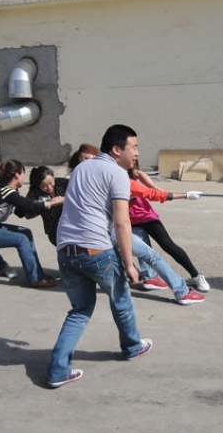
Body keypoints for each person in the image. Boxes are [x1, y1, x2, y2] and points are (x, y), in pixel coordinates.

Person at [47, 124, 152, 388]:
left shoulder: (81, 169)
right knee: (121, 299)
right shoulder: (117, 174)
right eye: (134, 147)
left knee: (80, 309)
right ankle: (132, 347)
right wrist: (129, 264)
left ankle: (58, 370)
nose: (137, 153)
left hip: (65, 250)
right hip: (96, 250)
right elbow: (122, 223)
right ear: (117, 149)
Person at [0, 159, 59, 288]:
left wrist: (39, 203)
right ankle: (35, 279)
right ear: (17, 174)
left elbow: (22, 212)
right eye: (23, 174)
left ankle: (38, 272)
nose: (23, 177)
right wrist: (52, 203)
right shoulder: (7, 192)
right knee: (21, 239)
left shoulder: (9, 191)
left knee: (26, 232)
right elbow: (30, 206)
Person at [128, 160, 211, 292]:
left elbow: (153, 191)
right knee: (140, 250)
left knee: (168, 245)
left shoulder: (132, 176)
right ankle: (149, 278)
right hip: (128, 221)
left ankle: (196, 276)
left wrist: (182, 195)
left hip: (146, 217)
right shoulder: (112, 176)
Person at [25, 166, 67, 246]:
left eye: (51, 183)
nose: (49, 188)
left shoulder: (62, 183)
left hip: (72, 225)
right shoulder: (35, 193)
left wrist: (65, 199)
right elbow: (28, 213)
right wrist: (47, 204)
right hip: (54, 231)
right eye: (44, 186)